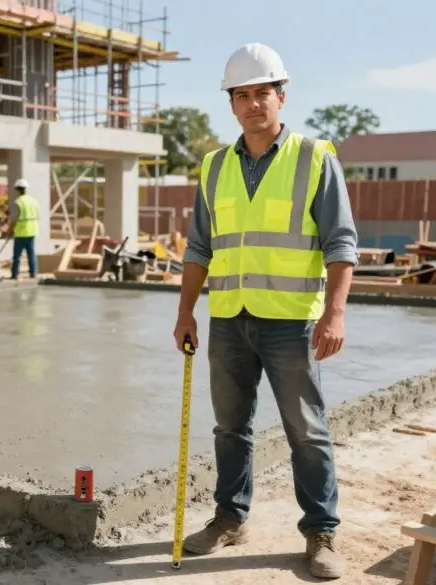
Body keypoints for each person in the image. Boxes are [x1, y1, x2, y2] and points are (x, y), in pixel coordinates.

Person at [172, 42, 358, 580]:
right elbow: (198, 248)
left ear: (282, 96)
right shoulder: (212, 167)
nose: (253, 104)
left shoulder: (315, 158)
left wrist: (336, 313)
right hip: (229, 318)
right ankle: (230, 518)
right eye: (242, 95)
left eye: (262, 94)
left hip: (292, 319)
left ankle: (321, 531)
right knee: (230, 428)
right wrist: (186, 313)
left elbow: (341, 243)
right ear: (231, 103)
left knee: (307, 430)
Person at [7, 178, 40, 279]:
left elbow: (14, 219)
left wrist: (10, 231)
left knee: (17, 256)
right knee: (31, 255)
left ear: (17, 190)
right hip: (32, 232)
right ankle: (33, 274)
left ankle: (15, 275)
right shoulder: (34, 202)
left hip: (21, 233)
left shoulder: (18, 202)